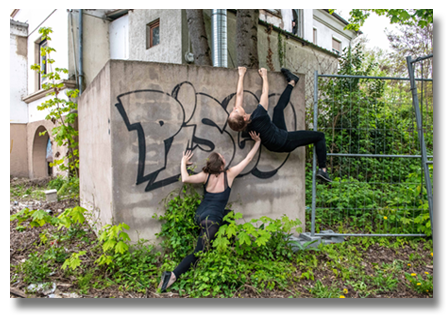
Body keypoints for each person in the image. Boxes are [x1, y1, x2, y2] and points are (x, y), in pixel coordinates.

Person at [158, 131, 262, 292]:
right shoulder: (230, 174)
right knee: (198, 253)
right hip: (210, 221)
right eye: (222, 158)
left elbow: (185, 179)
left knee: (228, 215)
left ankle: (227, 246)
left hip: (199, 215)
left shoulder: (205, 175)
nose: (225, 159)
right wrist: (258, 142)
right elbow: (248, 159)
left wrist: (183, 162)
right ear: (220, 166)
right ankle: (172, 274)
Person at [227, 66, 331, 183]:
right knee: (319, 136)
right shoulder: (259, 115)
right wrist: (265, 76)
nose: (235, 107)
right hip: (285, 141)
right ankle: (323, 169)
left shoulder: (242, 126)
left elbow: (239, 94)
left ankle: (292, 81)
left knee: (278, 109)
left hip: (275, 137)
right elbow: (265, 93)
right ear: (244, 117)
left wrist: (241, 75)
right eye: (235, 111)